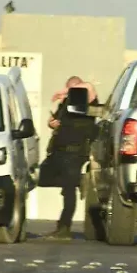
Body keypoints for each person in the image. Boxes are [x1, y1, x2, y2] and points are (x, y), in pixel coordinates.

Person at [39, 76, 99, 240]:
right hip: (59, 151)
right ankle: (78, 181)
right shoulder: (66, 104)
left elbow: (88, 87)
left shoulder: (87, 101)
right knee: (42, 178)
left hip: (74, 153)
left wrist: (64, 91)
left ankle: (64, 228)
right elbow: (55, 120)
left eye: (71, 90)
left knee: (68, 190)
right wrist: (52, 123)